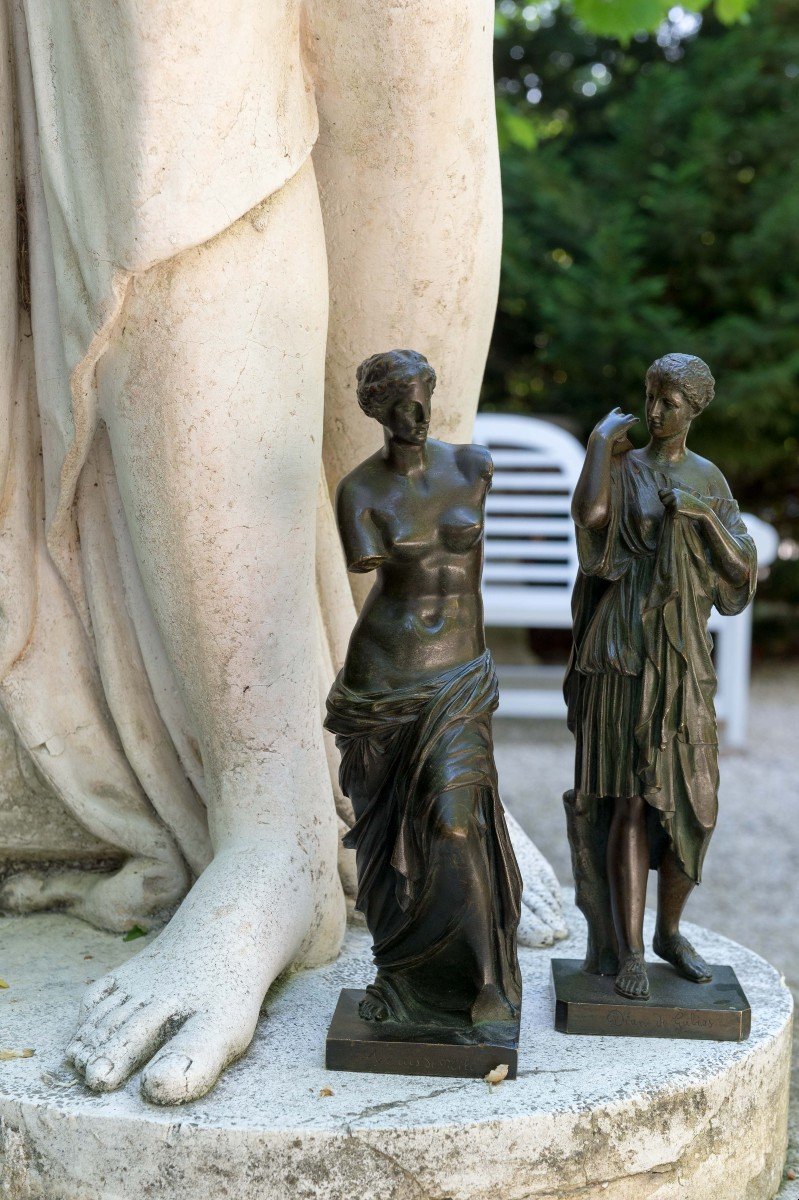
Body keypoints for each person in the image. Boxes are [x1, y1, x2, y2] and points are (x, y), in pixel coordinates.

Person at [0, 1, 563, 1104]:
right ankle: (272, 818)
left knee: (413, 51)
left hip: (425, 670)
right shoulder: (380, 492)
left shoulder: (444, 476)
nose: (404, 407)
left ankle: (398, 783)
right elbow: (379, 542)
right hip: (391, 652)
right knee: (177, 70)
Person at [326, 350, 522, 1027]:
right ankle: (400, 973)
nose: (413, 413)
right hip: (383, 679)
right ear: (375, 409)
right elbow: (372, 575)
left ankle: (487, 980)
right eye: (397, 402)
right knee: (384, 839)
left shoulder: (471, 466)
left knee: (453, 818)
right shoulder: (359, 491)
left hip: (458, 676)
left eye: (421, 397)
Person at [566, 354, 756, 1000]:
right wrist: (597, 445)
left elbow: (740, 577)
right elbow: (590, 523)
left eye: (668, 402)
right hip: (623, 649)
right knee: (627, 800)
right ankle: (626, 950)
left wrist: (700, 517)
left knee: (694, 805)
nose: (653, 412)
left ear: (693, 407)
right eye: (649, 397)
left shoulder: (708, 480)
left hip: (680, 657)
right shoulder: (621, 468)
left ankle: (668, 931)